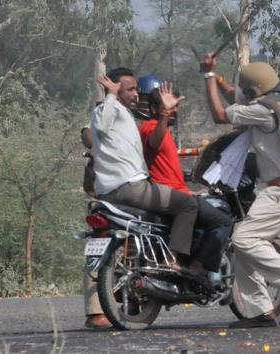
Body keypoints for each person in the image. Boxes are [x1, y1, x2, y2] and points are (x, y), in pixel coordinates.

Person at [200, 53, 280, 328]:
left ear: (254, 92)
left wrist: (207, 76)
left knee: (243, 239)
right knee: (247, 247)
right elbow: (236, 97)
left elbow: (220, 114)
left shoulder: (263, 111)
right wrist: (218, 79)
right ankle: (260, 312)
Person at [91, 67, 199, 274]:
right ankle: (172, 258)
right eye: (130, 90)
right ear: (115, 90)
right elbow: (102, 125)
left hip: (112, 190)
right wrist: (112, 94)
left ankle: (145, 264)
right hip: (129, 186)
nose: (135, 94)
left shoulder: (122, 114)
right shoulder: (109, 110)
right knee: (189, 204)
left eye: (136, 90)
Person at [136, 74, 233, 277]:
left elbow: (163, 163)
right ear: (154, 109)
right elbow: (154, 141)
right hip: (172, 194)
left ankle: (188, 261)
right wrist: (164, 114)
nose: (174, 111)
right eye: (167, 107)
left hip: (174, 190)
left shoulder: (165, 132)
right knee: (224, 221)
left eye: (175, 107)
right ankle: (196, 267)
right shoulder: (149, 127)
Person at [80, 122, 112, 329]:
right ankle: (96, 311)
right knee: (99, 242)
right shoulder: (108, 111)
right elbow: (87, 133)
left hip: (137, 186)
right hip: (104, 190)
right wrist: (99, 150)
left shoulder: (149, 119)